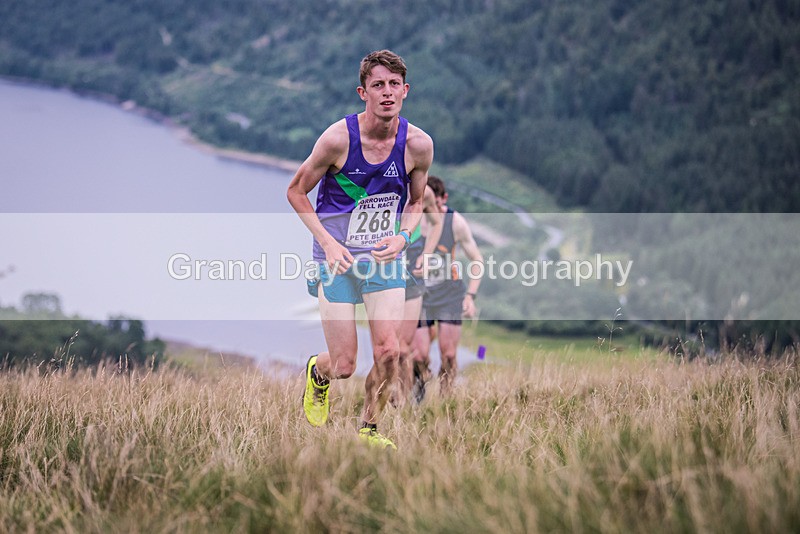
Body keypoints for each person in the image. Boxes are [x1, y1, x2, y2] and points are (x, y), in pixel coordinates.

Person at [286, 50, 433, 450]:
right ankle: (319, 374)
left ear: (405, 90)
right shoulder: (337, 139)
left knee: (390, 351)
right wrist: (329, 244)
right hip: (336, 261)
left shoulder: (418, 145)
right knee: (346, 365)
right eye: (377, 85)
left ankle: (368, 427)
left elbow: (416, 203)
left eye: (393, 85)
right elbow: (296, 192)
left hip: (383, 259)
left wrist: (403, 237)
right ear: (362, 92)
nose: (387, 93)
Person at [412, 175, 483, 400]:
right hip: (420, 295)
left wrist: (470, 296)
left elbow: (477, 261)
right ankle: (421, 380)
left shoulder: (456, 223)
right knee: (419, 355)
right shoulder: (411, 220)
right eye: (428, 205)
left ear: (444, 198)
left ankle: (445, 401)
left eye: (438, 204)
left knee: (449, 355)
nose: (435, 210)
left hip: (449, 295)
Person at [395, 184, 443, 406]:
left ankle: (402, 404)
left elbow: (436, 222)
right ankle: (382, 397)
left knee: (403, 348)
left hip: (412, 271)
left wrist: (426, 255)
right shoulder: (380, 180)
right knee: (386, 348)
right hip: (383, 269)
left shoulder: (425, 192)